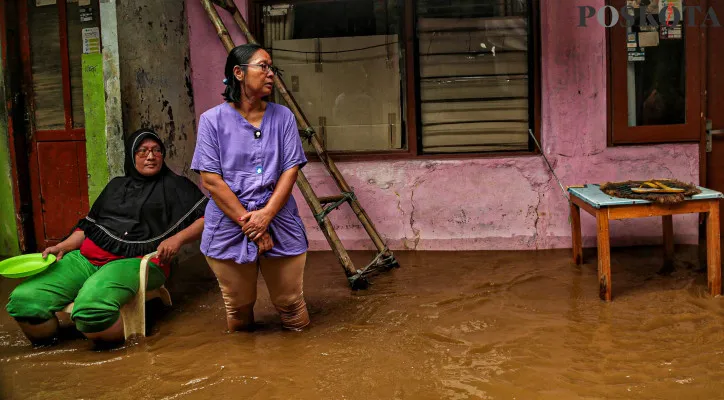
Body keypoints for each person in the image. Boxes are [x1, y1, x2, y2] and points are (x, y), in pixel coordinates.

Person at [6, 130, 208, 345]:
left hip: (136, 261)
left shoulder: (176, 186)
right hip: (86, 258)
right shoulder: (116, 186)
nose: (151, 156)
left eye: (156, 150)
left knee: (91, 309)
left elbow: (209, 216)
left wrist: (178, 239)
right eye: (142, 151)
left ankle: (120, 350)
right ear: (131, 155)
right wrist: (63, 246)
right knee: (25, 301)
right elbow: (89, 226)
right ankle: (49, 348)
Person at [191, 43, 310, 332]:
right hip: (229, 225)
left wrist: (267, 215)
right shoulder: (211, 121)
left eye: (272, 68)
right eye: (263, 66)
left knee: (292, 306)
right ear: (239, 73)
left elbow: (290, 170)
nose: (271, 74)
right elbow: (211, 180)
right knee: (239, 310)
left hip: (279, 219)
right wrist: (252, 225)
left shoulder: (283, 117)